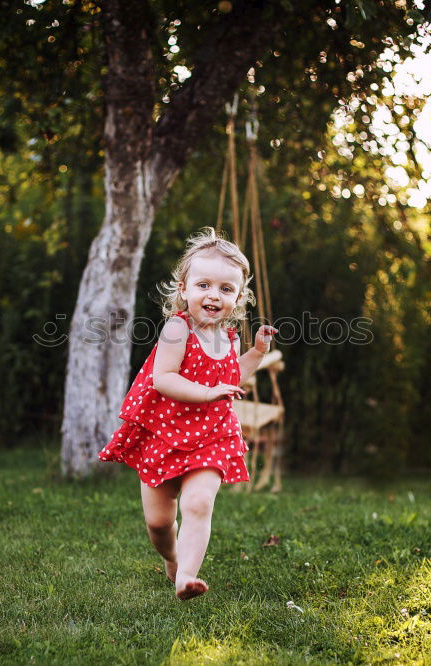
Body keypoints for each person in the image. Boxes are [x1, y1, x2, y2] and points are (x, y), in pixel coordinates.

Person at [99, 227, 276, 601]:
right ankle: (172, 558)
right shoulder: (177, 329)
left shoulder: (227, 337)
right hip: (163, 433)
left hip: (211, 434)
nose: (214, 295)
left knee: (198, 503)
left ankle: (187, 578)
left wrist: (256, 353)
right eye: (204, 285)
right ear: (184, 289)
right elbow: (164, 379)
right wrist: (209, 392)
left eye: (226, 289)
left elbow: (230, 378)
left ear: (238, 298)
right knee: (159, 523)